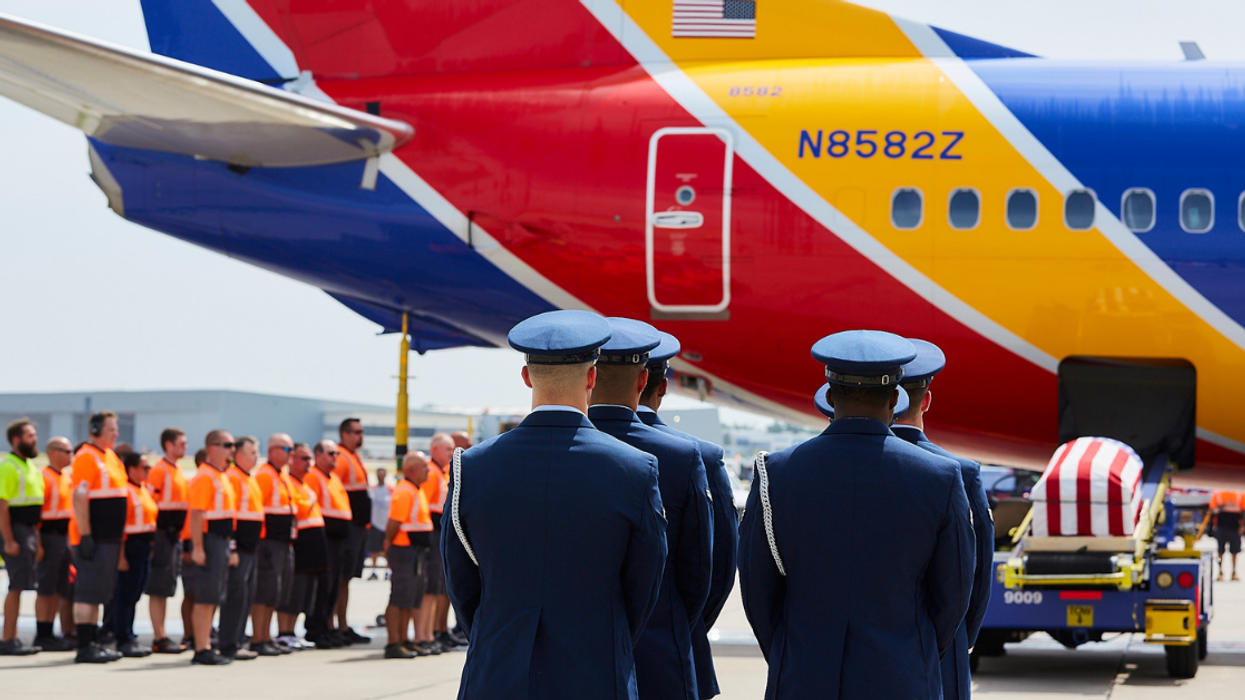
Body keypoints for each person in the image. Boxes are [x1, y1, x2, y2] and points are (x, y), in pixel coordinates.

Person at [443, 309, 668, 699]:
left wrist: (498, 635)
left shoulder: (471, 466)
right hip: (597, 673)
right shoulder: (635, 468)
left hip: (497, 673)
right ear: (592, 378)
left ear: (527, 377)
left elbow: (461, 584)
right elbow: (643, 584)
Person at [739, 331, 974, 699]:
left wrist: (795, 655)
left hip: (803, 680)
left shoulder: (777, 472)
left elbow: (759, 594)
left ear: (830, 397)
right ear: (895, 399)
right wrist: (914, 654)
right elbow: (953, 597)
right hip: (902, 680)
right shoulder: (940, 478)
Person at [588, 318, 712, 700]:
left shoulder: (543, 452)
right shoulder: (685, 456)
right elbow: (706, 572)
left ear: (588, 378)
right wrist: (673, 624)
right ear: (644, 382)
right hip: (661, 650)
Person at [890, 339, 993, 700]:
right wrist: (957, 639)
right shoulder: (961, 473)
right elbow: (976, 578)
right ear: (927, 401)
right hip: (938, 647)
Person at [637, 333, 738, 700]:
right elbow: (716, 570)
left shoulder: (568, 452)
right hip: (669, 655)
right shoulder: (699, 456)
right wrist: (679, 625)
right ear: (661, 387)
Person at [69, 411, 127, 664]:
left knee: (100, 592)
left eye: (116, 429)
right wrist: (86, 535)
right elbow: (79, 497)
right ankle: (84, 646)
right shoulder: (86, 457)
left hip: (110, 538)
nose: (115, 434)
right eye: (111, 429)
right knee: (88, 593)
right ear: (95, 429)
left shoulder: (111, 457)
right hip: (94, 538)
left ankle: (93, 642)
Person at [187, 430, 239, 665]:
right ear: (212, 448)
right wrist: (198, 547)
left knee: (214, 596)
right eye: (227, 445)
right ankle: (201, 648)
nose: (232, 450)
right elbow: (196, 514)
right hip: (209, 541)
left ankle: (207, 643)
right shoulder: (205, 476)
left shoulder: (221, 475)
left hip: (221, 541)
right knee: (206, 597)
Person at [276, 442, 327, 651]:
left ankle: (292, 632)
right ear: (292, 459)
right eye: (304, 458)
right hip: (300, 545)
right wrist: (312, 500)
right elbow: (298, 511)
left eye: (309, 459)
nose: (309, 463)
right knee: (292, 592)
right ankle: (284, 632)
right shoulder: (288, 482)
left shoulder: (304, 484)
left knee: (304, 594)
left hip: (312, 549)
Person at [382, 451, 433, 659]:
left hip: (414, 551)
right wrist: (388, 544)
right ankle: (394, 642)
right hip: (404, 550)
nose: (428, 470)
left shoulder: (415, 489)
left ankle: (403, 640)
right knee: (400, 598)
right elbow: (394, 523)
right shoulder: (405, 491)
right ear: (412, 469)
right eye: (424, 466)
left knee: (409, 598)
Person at [1, 418, 44, 655]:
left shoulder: (29, 466)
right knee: (16, 586)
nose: (34, 439)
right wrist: (9, 539)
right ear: (16, 440)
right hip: (15, 530)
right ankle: (8, 638)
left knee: (22, 584)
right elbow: (2, 505)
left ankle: (13, 637)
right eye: (29, 435)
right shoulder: (9, 466)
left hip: (28, 530)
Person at [304, 439, 352, 648]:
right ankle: (317, 629)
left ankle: (328, 627)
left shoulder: (334, 478)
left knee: (333, 587)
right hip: (325, 540)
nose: (335, 457)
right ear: (318, 455)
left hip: (339, 540)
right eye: (331, 453)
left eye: (336, 454)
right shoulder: (313, 477)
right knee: (324, 586)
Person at [145, 427, 189, 654]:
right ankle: (158, 635)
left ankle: (162, 633)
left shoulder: (179, 470)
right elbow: (150, 501)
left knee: (167, 585)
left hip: (174, 535)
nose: (185, 447)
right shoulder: (159, 470)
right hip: (162, 534)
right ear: (169, 445)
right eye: (181, 443)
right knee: (158, 586)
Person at [253, 433, 297, 655]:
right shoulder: (265, 475)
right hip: (268, 542)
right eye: (287, 450)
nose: (291, 455)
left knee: (274, 592)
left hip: (282, 541)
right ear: (273, 451)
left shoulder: (282, 476)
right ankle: (258, 637)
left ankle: (266, 636)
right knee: (264, 591)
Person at [219, 435, 263, 660]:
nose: (257, 456)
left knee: (245, 596)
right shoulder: (234, 478)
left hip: (251, 547)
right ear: (239, 456)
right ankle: (228, 643)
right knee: (235, 596)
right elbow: (231, 516)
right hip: (240, 548)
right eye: (252, 452)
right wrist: (233, 548)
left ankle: (237, 639)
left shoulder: (249, 478)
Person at [34, 436, 77, 652]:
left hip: (63, 537)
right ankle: (42, 633)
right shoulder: (45, 477)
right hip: (49, 536)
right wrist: (39, 545)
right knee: (46, 588)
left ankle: (50, 630)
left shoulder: (66, 478)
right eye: (66, 451)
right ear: (53, 453)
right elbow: (37, 516)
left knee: (59, 587)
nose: (70, 455)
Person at [113, 451, 157, 657]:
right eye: (145, 467)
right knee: (126, 595)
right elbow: (120, 527)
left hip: (144, 546)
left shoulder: (143, 489)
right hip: (131, 547)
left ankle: (128, 633)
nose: (148, 471)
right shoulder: (127, 491)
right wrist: (121, 556)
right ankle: (123, 637)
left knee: (135, 594)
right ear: (132, 469)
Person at [333, 418, 372, 644]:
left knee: (347, 578)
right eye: (357, 432)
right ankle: (337, 624)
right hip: (348, 528)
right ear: (345, 433)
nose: (361, 436)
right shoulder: (340, 457)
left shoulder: (353, 457)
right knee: (340, 577)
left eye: (361, 432)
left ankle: (343, 624)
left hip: (357, 527)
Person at [421, 432, 455, 651]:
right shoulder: (431, 473)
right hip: (433, 533)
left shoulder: (441, 472)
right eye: (448, 449)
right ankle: (433, 630)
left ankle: (440, 629)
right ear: (435, 451)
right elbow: (424, 506)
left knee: (442, 585)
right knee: (434, 585)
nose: (452, 453)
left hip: (440, 531)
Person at [180, 446, 208, 649]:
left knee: (206, 593)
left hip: (208, 543)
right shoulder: (195, 484)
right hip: (191, 543)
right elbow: (187, 519)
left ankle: (201, 631)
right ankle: (189, 634)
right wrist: (186, 549)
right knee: (191, 593)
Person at [1210, 489, 1245, 581]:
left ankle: (1234, 572)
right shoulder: (1218, 494)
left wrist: (1243, 526)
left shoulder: (1240, 494)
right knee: (1220, 552)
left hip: (1234, 528)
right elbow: (1213, 509)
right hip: (1222, 527)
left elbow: (1243, 511)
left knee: (1235, 552)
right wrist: (1224, 505)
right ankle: (1220, 572)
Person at [366, 467, 392, 578]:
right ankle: (374, 569)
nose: (380, 476)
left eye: (382, 474)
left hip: (386, 524)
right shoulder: (372, 489)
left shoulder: (390, 489)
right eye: (378, 474)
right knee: (374, 548)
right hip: (375, 523)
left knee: (387, 548)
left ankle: (388, 569)